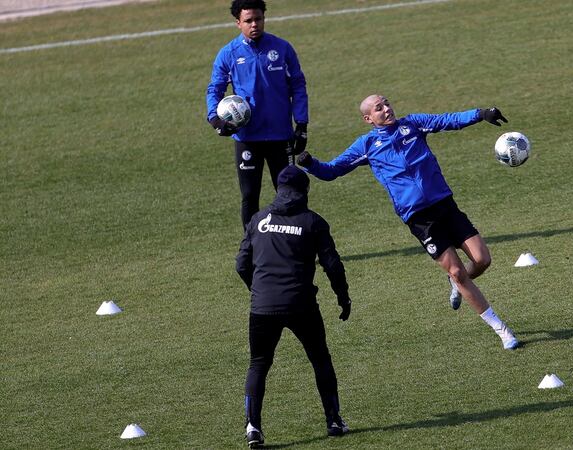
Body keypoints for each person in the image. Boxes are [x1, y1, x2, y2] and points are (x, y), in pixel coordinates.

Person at [296, 94, 519, 350]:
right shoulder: (367, 145)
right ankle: (501, 330)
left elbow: (448, 120)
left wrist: (481, 114)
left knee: (482, 260)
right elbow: (332, 170)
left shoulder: (412, 124)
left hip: (445, 206)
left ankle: (457, 283)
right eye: (379, 108)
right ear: (368, 118)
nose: (387, 109)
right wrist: (310, 164)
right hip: (419, 219)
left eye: (387, 104)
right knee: (457, 271)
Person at [235, 165, 352, 447]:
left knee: (258, 365)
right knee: (320, 359)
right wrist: (343, 297)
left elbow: (241, 264)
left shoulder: (258, 219)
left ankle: (253, 429)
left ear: (279, 190)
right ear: (305, 190)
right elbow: (332, 265)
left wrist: (258, 289)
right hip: (301, 305)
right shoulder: (313, 222)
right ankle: (334, 420)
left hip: (262, 306)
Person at [206, 0, 309, 229]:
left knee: (290, 193)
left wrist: (301, 125)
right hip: (247, 139)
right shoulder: (228, 54)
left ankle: (299, 246)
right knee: (250, 196)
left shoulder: (282, 49)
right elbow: (215, 88)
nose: (254, 24)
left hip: (280, 137)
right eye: (248, 20)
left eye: (258, 19)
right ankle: (251, 251)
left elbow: (298, 86)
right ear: (238, 23)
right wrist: (215, 119)